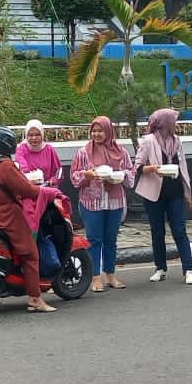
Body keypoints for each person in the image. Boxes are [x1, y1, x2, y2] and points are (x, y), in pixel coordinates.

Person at [0, 126, 54, 313]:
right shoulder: (5, 165)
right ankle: (35, 298)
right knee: (30, 254)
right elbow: (25, 189)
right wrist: (46, 192)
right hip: (7, 215)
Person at [133, 108, 192, 285]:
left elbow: (183, 167)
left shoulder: (177, 141)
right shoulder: (148, 141)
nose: (175, 124)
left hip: (175, 193)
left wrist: (187, 193)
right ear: (165, 123)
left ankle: (189, 269)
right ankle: (160, 268)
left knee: (179, 230)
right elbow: (137, 167)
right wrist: (153, 169)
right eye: (173, 121)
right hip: (154, 194)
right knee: (158, 231)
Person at [70, 116, 132, 292]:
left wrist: (121, 176)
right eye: (94, 131)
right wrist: (87, 174)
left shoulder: (121, 152)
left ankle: (110, 274)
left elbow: (130, 172)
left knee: (111, 240)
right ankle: (95, 276)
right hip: (92, 203)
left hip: (114, 202)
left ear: (109, 132)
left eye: (100, 131)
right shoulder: (83, 152)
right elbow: (74, 176)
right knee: (94, 240)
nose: (96, 134)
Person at [15, 120, 62, 187]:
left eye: (37, 135)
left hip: (48, 188)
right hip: (28, 188)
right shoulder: (21, 150)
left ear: (42, 135)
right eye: (30, 135)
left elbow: (58, 171)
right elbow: (23, 169)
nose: (34, 138)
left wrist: (52, 181)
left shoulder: (49, 149)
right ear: (26, 136)